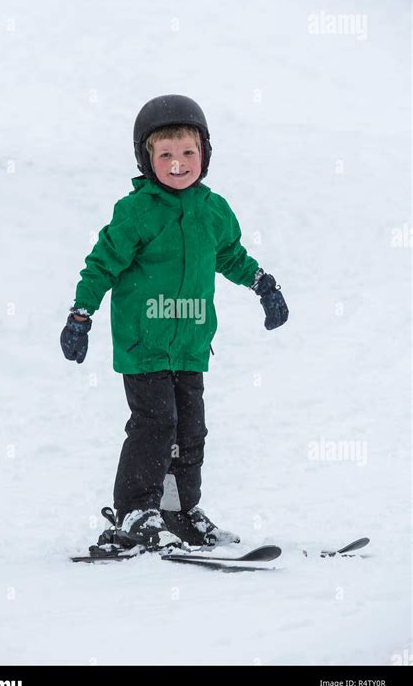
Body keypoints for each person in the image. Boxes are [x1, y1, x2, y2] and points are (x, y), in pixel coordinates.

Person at [60, 94, 288, 552]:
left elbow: (230, 256)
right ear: (146, 159)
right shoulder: (137, 211)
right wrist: (80, 313)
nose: (178, 163)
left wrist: (263, 284)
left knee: (190, 430)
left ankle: (178, 511)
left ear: (205, 154)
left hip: (189, 344)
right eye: (165, 154)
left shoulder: (213, 209)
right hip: (144, 344)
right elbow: (101, 263)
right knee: (154, 424)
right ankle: (135, 512)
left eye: (188, 152)